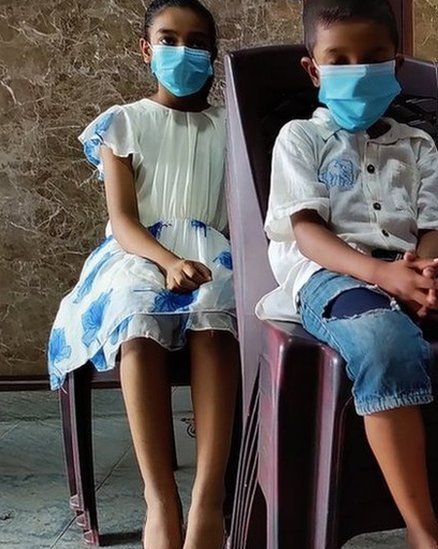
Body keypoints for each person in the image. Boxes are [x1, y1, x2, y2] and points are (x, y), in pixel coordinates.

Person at [254, 1, 438, 547]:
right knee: (384, 341)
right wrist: (381, 275)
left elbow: (436, 228)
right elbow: (308, 233)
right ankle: (422, 531)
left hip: (415, 270)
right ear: (313, 68)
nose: (358, 68)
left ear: (397, 62)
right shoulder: (299, 138)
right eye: (339, 58)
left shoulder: (416, 146)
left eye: (374, 57)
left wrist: (421, 274)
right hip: (331, 277)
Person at [47, 1, 237, 547]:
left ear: (213, 52)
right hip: (139, 252)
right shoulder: (123, 122)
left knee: (216, 304)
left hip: (213, 248)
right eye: (168, 39)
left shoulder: (231, 124)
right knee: (135, 309)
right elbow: (124, 222)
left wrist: (197, 262)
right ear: (146, 49)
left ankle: (208, 498)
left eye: (197, 41)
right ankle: (161, 498)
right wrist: (167, 260)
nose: (184, 52)